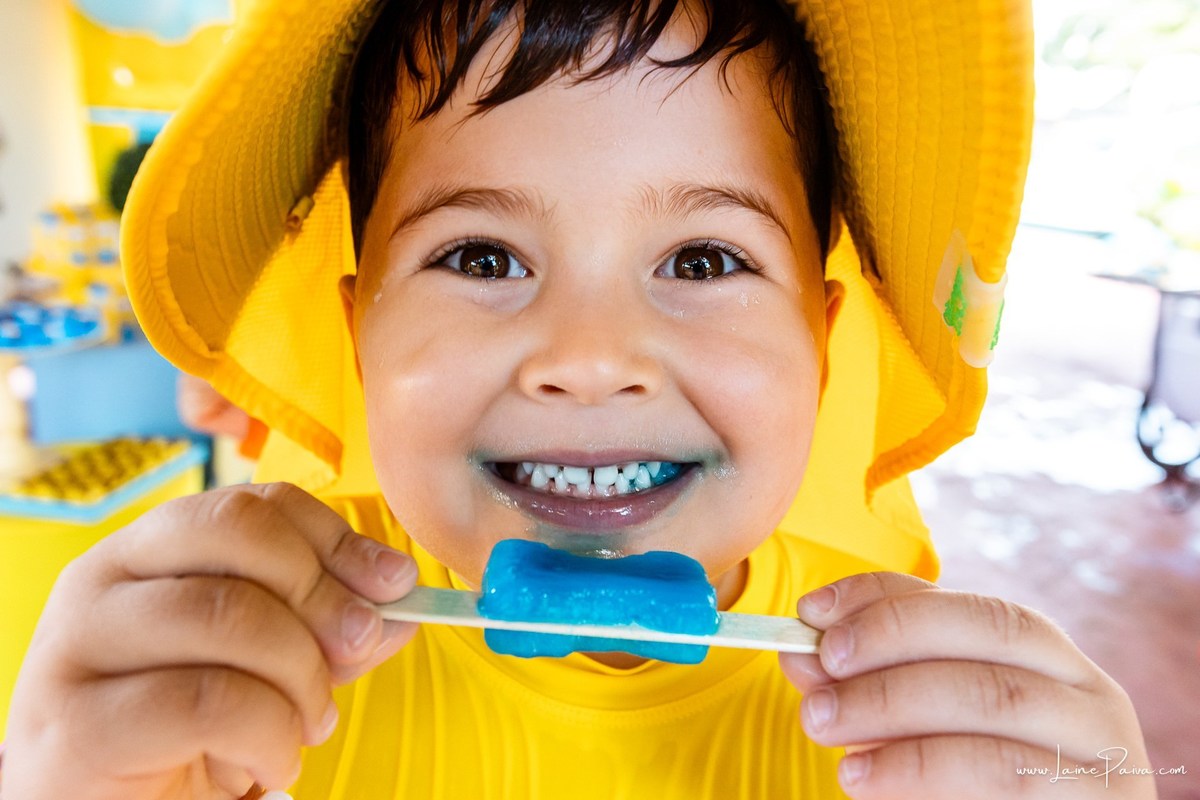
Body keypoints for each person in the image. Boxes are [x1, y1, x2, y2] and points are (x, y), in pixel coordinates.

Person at [1, 0, 1157, 798]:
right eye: (482, 255)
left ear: (821, 345)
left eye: (703, 259)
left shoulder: (922, 734)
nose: (591, 359)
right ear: (358, 336)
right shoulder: (244, 691)